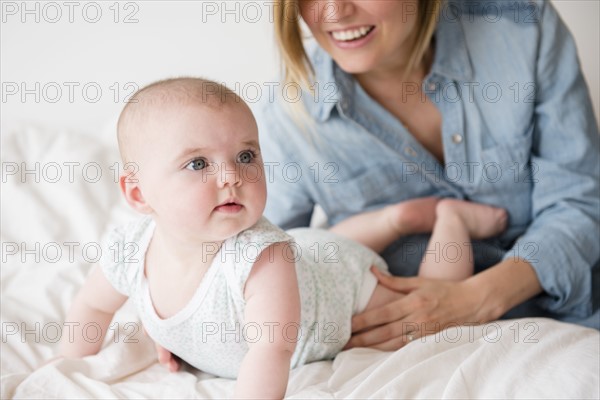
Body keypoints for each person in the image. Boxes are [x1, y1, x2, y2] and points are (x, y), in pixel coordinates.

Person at [54, 77, 508, 398]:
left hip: (344, 290)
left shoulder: (263, 259)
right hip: (311, 252)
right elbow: (92, 307)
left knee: (423, 306)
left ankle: (451, 221)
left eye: (246, 155)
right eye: (198, 164)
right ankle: (393, 219)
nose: (231, 176)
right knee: (315, 242)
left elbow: (271, 349)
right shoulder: (128, 250)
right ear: (137, 193)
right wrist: (62, 372)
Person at [255, 0, 600, 351]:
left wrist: (474, 299)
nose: (334, 12)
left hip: (563, 318)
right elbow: (263, 265)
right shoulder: (285, 119)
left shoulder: (522, 27)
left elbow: (579, 202)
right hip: (412, 348)